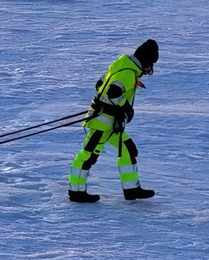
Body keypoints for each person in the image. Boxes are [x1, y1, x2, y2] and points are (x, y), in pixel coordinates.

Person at [68, 39, 159, 203]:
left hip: (112, 123)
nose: (149, 68)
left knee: (128, 150)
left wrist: (116, 109)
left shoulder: (120, 65)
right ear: (145, 59)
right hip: (101, 122)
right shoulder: (128, 72)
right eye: (150, 63)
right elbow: (113, 92)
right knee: (87, 156)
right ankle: (76, 192)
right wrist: (124, 108)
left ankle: (132, 188)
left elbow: (100, 84)